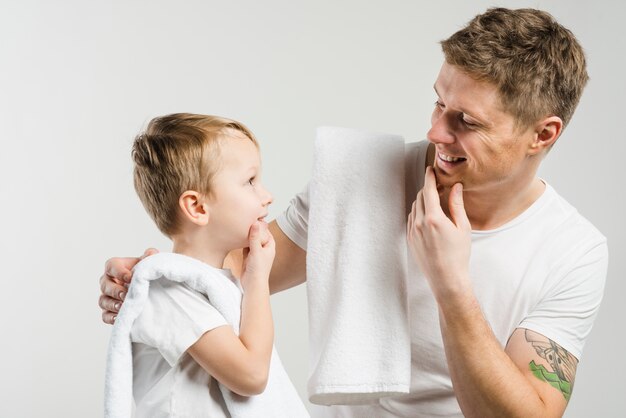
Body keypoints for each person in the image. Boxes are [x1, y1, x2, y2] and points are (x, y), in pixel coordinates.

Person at [99, 8, 607, 418]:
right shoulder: (361, 178)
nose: (435, 131)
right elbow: (231, 268)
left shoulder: (573, 251)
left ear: (543, 134)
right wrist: (149, 276)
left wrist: (451, 285)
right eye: (437, 103)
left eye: (465, 121)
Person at [112, 113, 284, 417]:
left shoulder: (220, 285)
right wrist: (257, 279)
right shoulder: (169, 292)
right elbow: (251, 376)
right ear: (197, 207)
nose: (267, 196)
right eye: (250, 181)